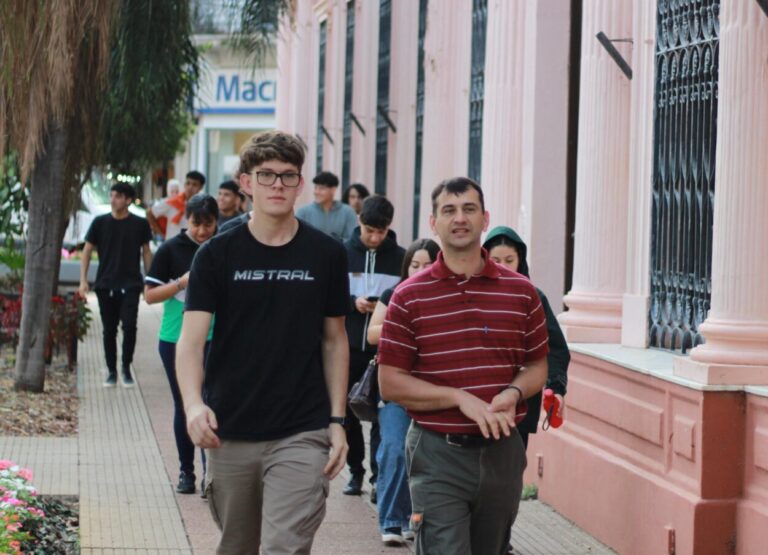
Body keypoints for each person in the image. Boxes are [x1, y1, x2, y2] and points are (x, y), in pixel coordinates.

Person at [176, 131, 350, 555]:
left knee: (283, 546)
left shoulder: (326, 254)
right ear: (246, 183)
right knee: (238, 545)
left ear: (300, 184)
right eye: (266, 175)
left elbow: (334, 341)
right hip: (230, 428)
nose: (277, 185)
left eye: (288, 176)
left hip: (302, 429)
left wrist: (336, 420)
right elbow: (191, 341)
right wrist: (193, 404)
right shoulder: (216, 255)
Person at [378, 177, 550, 555]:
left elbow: (538, 365)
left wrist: (513, 391)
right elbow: (389, 384)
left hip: (502, 450)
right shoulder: (408, 296)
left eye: (469, 209)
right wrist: (459, 398)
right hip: (437, 451)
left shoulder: (522, 292)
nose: (460, 218)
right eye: (449, 210)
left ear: (484, 218)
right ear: (433, 222)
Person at [366, 238, 440, 546]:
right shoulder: (392, 294)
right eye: (415, 264)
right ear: (406, 266)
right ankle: (391, 520)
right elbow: (372, 334)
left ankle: (413, 517)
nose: (420, 270)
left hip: (431, 391)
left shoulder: (443, 296)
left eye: (427, 265)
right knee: (394, 450)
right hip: (396, 389)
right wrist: (405, 324)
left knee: (423, 455)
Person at [144, 194, 219, 496]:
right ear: (186, 220)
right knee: (186, 404)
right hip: (175, 339)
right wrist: (181, 283)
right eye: (197, 223)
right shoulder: (170, 249)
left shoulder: (221, 248)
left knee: (212, 402)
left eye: (208, 224)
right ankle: (186, 472)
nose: (202, 231)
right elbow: (149, 295)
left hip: (216, 339)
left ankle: (210, 475)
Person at [483, 226, 569, 449]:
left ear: (520, 260)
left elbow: (555, 348)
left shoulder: (533, 297)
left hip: (521, 402)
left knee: (509, 474)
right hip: (478, 401)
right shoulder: (474, 293)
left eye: (509, 260)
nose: (502, 266)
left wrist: (556, 389)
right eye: (496, 260)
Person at [342, 195, 404, 500]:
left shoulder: (400, 258)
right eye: (369, 230)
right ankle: (356, 471)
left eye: (381, 231)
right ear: (358, 221)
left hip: (383, 350)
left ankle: (380, 477)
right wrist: (352, 304)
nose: (375, 237)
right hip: (348, 345)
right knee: (347, 411)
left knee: (382, 413)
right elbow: (325, 298)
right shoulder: (342, 253)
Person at [79, 183, 153, 388]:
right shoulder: (100, 222)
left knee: (129, 326)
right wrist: (83, 280)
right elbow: (87, 250)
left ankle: (126, 368)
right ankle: (111, 371)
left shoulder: (140, 224)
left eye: (118, 196)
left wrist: (151, 281)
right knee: (109, 330)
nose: (113, 199)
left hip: (131, 283)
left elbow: (146, 251)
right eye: (112, 195)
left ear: (128, 200)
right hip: (105, 284)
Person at [296, 171, 358, 242]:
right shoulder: (303, 212)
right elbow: (297, 239)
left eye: (321, 188)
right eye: (315, 188)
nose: (316, 192)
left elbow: (352, 240)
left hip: (338, 252)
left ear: (333, 190)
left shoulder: (348, 212)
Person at [147, 171, 205, 240]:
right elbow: (149, 213)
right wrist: (161, 234)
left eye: (194, 185)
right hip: (172, 246)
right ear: (184, 185)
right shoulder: (172, 202)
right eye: (188, 183)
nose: (190, 187)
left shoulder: (203, 205)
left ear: (201, 187)